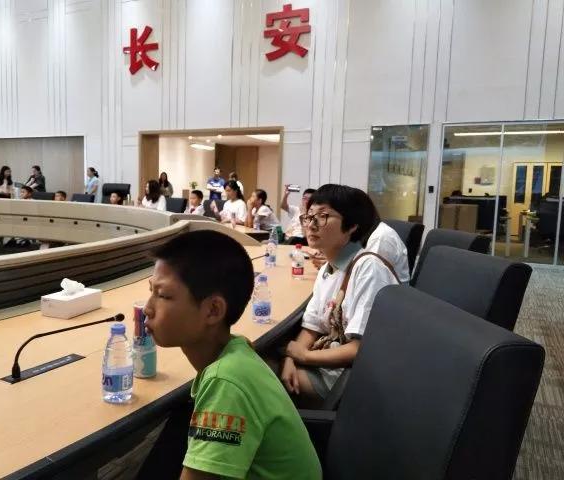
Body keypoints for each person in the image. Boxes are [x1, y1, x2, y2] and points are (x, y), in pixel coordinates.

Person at [143, 230, 322, 479]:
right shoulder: (237, 350)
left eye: (163, 295)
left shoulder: (226, 382)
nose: (147, 308)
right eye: (151, 291)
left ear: (213, 310)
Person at [280, 184, 400, 404]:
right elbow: (312, 326)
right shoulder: (328, 268)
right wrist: (291, 358)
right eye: (309, 216)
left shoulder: (368, 268)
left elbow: (360, 348)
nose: (311, 224)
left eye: (323, 216)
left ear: (352, 226)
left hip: (347, 381)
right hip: (323, 362)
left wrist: (304, 356)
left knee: (250, 376)